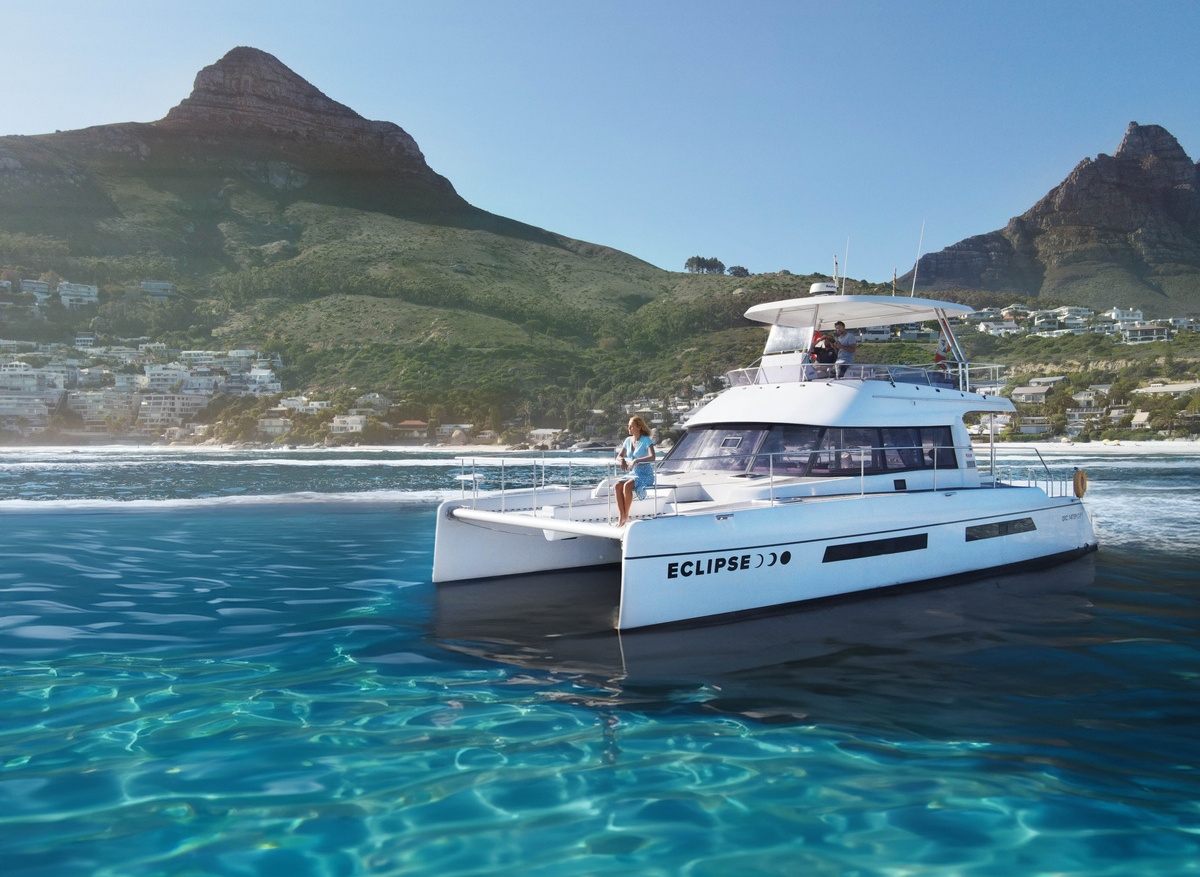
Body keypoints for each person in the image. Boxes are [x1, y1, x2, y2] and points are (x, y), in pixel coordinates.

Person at [615, 415, 655, 527]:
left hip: (645, 474)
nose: (629, 428)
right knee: (617, 486)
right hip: (633, 473)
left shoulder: (646, 440)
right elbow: (619, 456)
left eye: (631, 426)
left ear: (639, 427)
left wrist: (636, 460)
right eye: (628, 426)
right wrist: (622, 460)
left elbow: (652, 457)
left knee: (627, 485)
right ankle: (621, 515)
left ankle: (626, 515)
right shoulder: (628, 440)